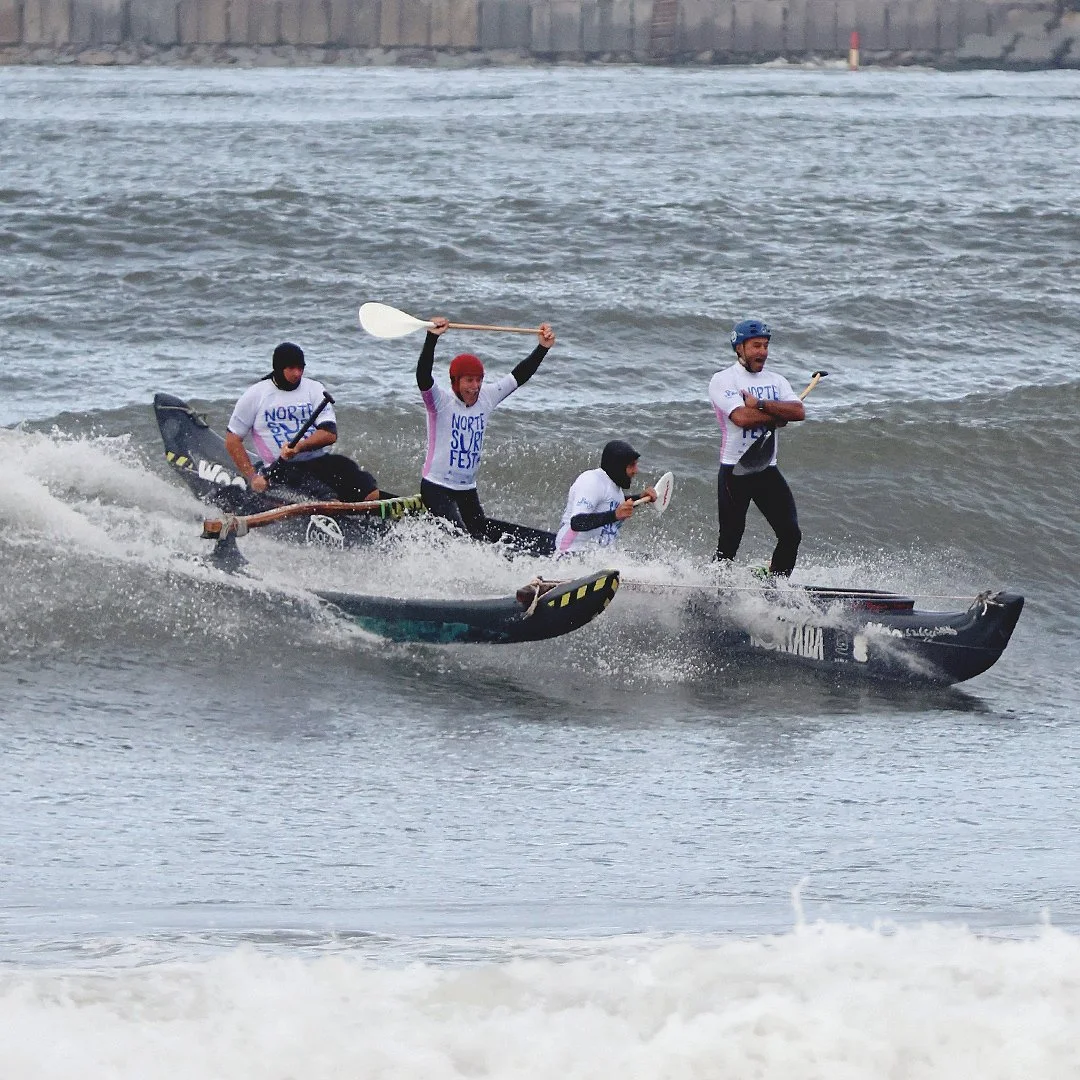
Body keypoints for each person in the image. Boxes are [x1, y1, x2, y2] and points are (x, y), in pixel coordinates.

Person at [416, 316, 555, 539]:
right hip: (436, 486)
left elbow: (519, 376)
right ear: (455, 382)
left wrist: (542, 348)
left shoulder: (487, 397)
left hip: (467, 489)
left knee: (481, 540)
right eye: (468, 381)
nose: (475, 386)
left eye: (479, 380)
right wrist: (432, 338)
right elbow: (423, 376)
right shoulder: (439, 402)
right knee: (458, 539)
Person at [707, 318, 805, 576]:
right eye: (755, 346)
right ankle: (713, 588)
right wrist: (778, 415)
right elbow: (740, 417)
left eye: (765, 345)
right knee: (729, 540)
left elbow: (798, 411)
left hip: (766, 469)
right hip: (735, 471)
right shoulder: (723, 380)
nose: (762, 352)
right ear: (739, 348)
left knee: (791, 534)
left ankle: (775, 586)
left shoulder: (777, 380)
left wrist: (761, 404)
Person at [225, 342, 380, 503]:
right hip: (280, 469)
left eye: (301, 368)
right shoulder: (256, 395)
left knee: (365, 486)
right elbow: (232, 440)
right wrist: (252, 477)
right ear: (279, 368)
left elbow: (329, 434)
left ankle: (374, 515)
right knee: (327, 498)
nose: (297, 373)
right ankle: (333, 511)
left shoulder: (314, 389)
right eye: (291, 368)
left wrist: (299, 447)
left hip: (318, 461)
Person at [554, 440, 656, 556]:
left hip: (595, 558)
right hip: (569, 554)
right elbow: (577, 522)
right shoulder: (591, 481)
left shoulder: (615, 489)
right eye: (632, 465)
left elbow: (609, 504)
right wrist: (614, 515)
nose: (636, 470)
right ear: (618, 466)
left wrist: (640, 497)